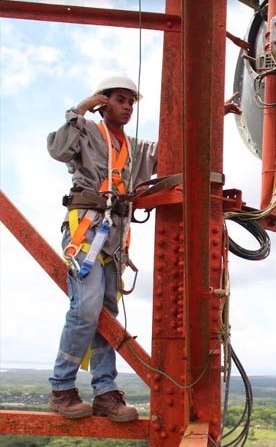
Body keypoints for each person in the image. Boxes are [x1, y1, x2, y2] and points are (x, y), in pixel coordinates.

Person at [46, 73, 242, 422]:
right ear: (104, 102)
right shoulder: (88, 133)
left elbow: (174, 148)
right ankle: (61, 387)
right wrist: (80, 109)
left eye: (130, 102)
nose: (127, 107)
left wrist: (215, 114)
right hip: (86, 233)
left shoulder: (135, 150)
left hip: (113, 241)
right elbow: (58, 150)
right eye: (120, 100)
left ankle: (105, 392)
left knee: (106, 317)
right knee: (86, 308)